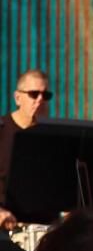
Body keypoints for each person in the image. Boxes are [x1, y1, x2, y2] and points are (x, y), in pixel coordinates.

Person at [0, 68, 52, 228]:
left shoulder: (52, 135)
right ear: (18, 98)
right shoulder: (2, 129)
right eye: (34, 94)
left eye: (45, 95)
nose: (40, 100)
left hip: (44, 226)